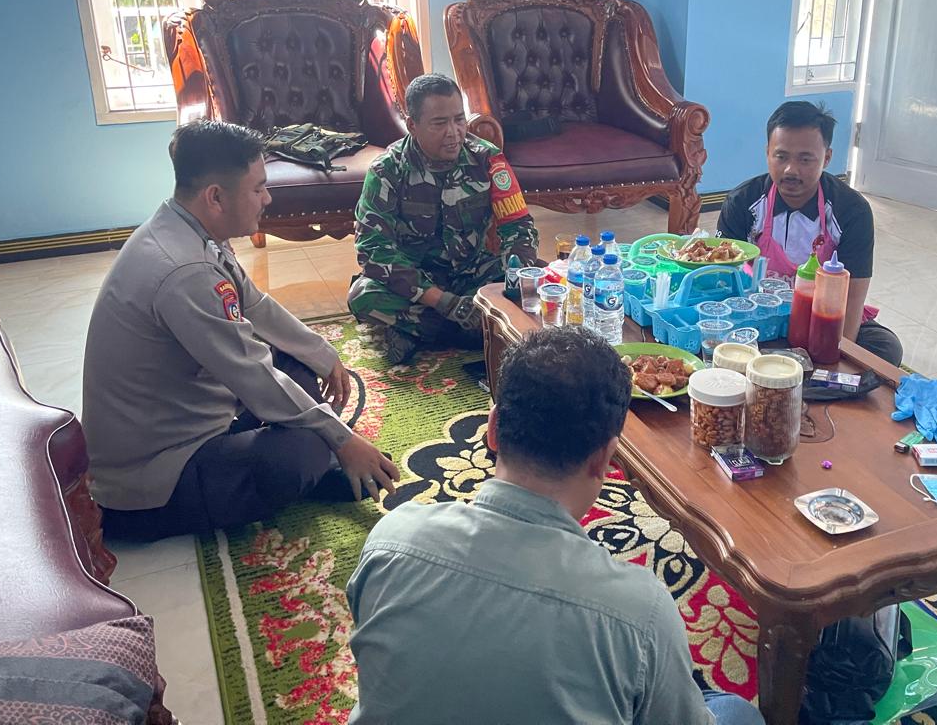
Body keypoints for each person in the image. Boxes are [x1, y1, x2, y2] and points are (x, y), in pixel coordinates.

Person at [344, 327, 764, 725]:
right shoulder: (640, 611)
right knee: (734, 710)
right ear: (605, 459)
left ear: (493, 429)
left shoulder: (391, 539)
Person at [83, 121, 398, 541]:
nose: (267, 199)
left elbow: (254, 305)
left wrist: (323, 354)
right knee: (300, 451)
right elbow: (252, 374)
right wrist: (343, 441)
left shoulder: (188, 229)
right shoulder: (186, 271)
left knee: (299, 365)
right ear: (215, 197)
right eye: (258, 188)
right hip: (155, 479)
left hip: (197, 415)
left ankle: (313, 458)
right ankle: (313, 467)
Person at [348, 72, 539, 364]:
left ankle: (422, 333)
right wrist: (442, 301)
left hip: (473, 275)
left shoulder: (487, 159)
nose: (454, 132)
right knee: (363, 295)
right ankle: (475, 331)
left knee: (537, 277)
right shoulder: (387, 171)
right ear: (412, 125)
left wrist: (514, 282)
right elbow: (374, 249)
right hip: (417, 283)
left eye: (459, 119)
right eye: (439, 123)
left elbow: (519, 227)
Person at [718, 100, 903, 366]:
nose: (791, 170)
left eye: (805, 159)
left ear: (827, 158)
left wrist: (835, 357)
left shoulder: (852, 210)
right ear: (767, 153)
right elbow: (724, 280)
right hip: (758, 316)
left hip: (824, 318)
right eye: (781, 157)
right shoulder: (742, 202)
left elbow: (852, 297)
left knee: (885, 347)